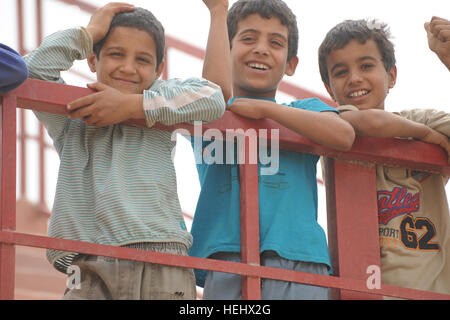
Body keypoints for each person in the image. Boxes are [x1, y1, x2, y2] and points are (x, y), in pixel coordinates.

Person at [24, 2, 226, 300]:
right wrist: (90, 31)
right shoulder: (74, 115)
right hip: (87, 260)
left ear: (158, 70)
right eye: (116, 54)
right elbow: (34, 71)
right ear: (93, 59)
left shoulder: (157, 102)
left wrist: (134, 106)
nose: (128, 67)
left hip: (161, 255)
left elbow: (213, 97)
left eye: (142, 60)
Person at [189, 0, 355, 300]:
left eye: (275, 43)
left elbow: (343, 134)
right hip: (227, 260)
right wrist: (217, 12)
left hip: (301, 260)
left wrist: (267, 110)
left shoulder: (303, 111)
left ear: (290, 64)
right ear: (224, 52)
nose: (261, 49)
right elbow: (213, 92)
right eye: (248, 38)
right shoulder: (209, 110)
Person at [318, 16, 450, 296]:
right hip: (362, 289)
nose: (355, 78)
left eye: (366, 66)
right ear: (329, 89)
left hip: (429, 290)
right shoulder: (334, 122)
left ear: (391, 75)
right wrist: (426, 136)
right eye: (341, 72)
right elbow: (372, 124)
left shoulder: (419, 118)